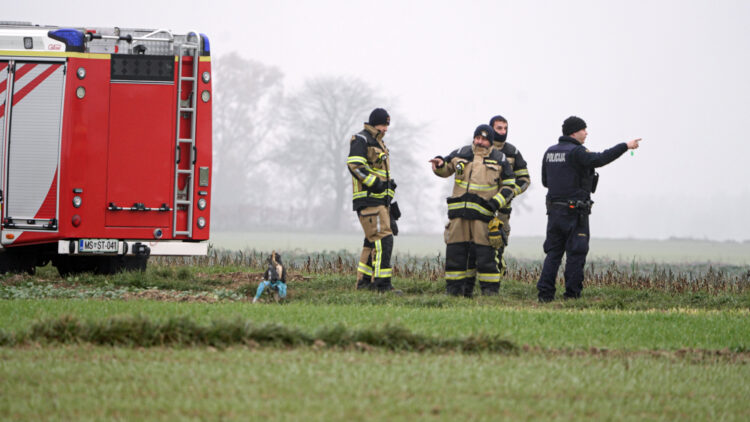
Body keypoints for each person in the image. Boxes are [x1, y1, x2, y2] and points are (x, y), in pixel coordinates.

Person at [537, 116, 641, 302]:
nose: (586, 133)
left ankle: (544, 295)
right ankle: (572, 296)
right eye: (583, 129)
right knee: (576, 253)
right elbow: (600, 158)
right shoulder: (577, 152)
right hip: (575, 213)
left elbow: (545, 181)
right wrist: (625, 146)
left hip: (554, 212)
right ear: (573, 132)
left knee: (553, 253)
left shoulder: (549, 152)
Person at [429, 124, 516, 297]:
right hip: (458, 217)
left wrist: (494, 204)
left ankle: (490, 294)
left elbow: (509, 186)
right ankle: (454, 293)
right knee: (455, 255)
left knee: (486, 258)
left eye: (484, 139)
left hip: (483, 218)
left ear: (490, 142)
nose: (480, 141)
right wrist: (439, 164)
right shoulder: (462, 152)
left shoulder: (500, 158)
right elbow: (446, 167)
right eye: (477, 138)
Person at [346, 108, 400, 293]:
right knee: (384, 240)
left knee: (371, 242)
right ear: (374, 123)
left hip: (379, 203)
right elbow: (354, 165)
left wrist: (388, 191)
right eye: (383, 124)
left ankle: (364, 284)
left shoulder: (380, 144)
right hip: (368, 202)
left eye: (387, 125)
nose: (385, 129)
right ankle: (382, 286)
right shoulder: (361, 140)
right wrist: (375, 183)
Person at [488, 115, 531, 276]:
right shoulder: (482, 150)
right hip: (482, 206)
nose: (503, 131)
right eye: (499, 128)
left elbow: (525, 180)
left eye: (505, 128)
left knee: (499, 240)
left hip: (503, 209)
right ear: (491, 128)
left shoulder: (513, 152)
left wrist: (511, 192)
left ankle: (499, 275)